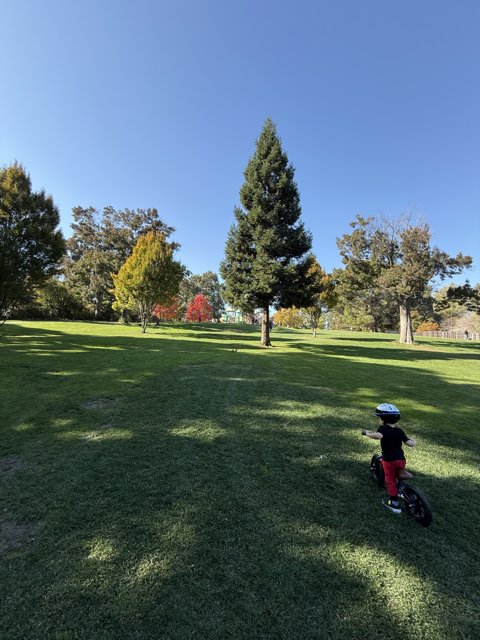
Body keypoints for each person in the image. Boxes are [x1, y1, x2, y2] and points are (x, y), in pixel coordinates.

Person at [362, 403, 416, 514]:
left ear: (383, 419)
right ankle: (400, 489)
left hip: (389, 460)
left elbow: (378, 436)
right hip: (401, 460)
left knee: (390, 479)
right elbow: (409, 443)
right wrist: (414, 441)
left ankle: (394, 503)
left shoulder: (383, 429)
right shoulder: (399, 431)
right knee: (398, 473)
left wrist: (367, 433)